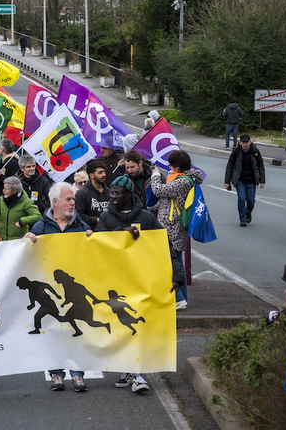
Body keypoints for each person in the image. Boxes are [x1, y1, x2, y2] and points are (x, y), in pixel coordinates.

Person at [95, 175, 184, 394]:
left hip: (142, 281)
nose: (113, 196)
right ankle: (127, 368)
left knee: (137, 326)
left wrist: (177, 274)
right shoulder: (106, 217)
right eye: (112, 192)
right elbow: (97, 245)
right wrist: (120, 234)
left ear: (129, 194)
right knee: (121, 327)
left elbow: (164, 246)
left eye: (118, 193)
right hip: (115, 282)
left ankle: (137, 373)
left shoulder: (146, 217)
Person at [24, 182, 93, 393]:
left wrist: (93, 241)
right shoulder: (41, 227)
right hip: (52, 293)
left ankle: (78, 374)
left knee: (78, 332)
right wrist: (26, 241)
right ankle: (56, 373)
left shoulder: (81, 226)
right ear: (55, 202)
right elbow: (25, 257)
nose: (73, 203)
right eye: (68, 199)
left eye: (73, 199)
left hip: (73, 292)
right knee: (54, 331)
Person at [149, 149, 204, 309]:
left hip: (172, 227)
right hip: (175, 226)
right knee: (177, 266)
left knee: (167, 265)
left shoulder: (183, 181)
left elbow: (158, 190)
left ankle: (178, 299)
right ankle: (183, 299)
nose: (170, 168)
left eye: (172, 165)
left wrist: (155, 176)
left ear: (178, 166)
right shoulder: (186, 179)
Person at [224, 134, 265, 227]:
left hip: (251, 181)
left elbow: (260, 166)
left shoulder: (255, 152)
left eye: (247, 142)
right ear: (240, 143)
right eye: (243, 142)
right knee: (241, 199)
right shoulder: (236, 152)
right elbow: (229, 166)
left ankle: (248, 213)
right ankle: (242, 218)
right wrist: (227, 181)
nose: (245, 144)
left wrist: (262, 180)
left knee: (251, 201)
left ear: (250, 142)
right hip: (240, 180)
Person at [0, 176, 41, 240]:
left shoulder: (26, 202)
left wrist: (22, 221)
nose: (3, 190)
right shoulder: (1, 199)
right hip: (3, 240)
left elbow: (37, 216)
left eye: (6, 189)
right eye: (4, 188)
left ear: (14, 191)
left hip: (19, 241)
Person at [74, 158, 110, 230]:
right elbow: (78, 215)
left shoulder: (109, 192)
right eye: (100, 173)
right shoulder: (82, 193)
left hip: (108, 232)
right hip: (90, 233)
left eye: (104, 172)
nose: (104, 175)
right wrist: (96, 220)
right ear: (91, 175)